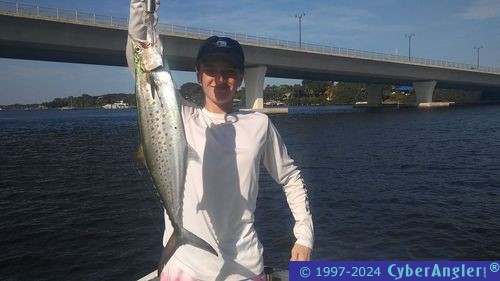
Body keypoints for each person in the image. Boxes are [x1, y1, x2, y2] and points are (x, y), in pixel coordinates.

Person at [127, 1, 313, 280]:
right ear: (198, 75)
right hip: (184, 267)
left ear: (239, 78)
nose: (220, 79)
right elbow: (139, 53)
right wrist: (142, 8)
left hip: (245, 268)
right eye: (211, 70)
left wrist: (304, 234)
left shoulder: (259, 124)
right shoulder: (180, 115)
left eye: (229, 72)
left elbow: (290, 177)